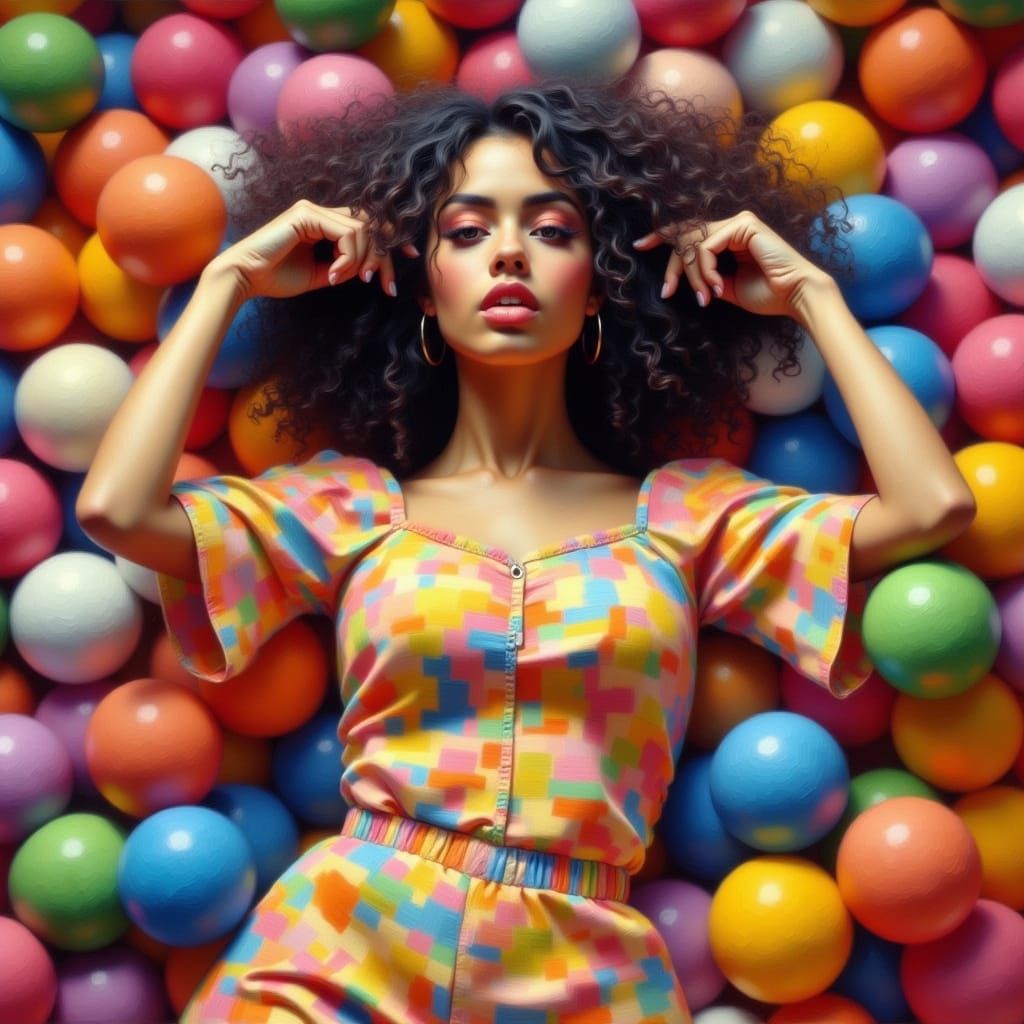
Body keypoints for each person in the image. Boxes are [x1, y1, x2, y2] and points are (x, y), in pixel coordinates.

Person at [77, 81, 975, 1024]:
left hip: (582, 966)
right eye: (466, 232)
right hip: (341, 943)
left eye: (551, 230)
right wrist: (230, 281)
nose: (508, 251)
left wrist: (812, 296)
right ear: (422, 285)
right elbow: (117, 509)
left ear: (600, 285)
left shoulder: (687, 518)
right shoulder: (351, 508)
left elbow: (932, 505)